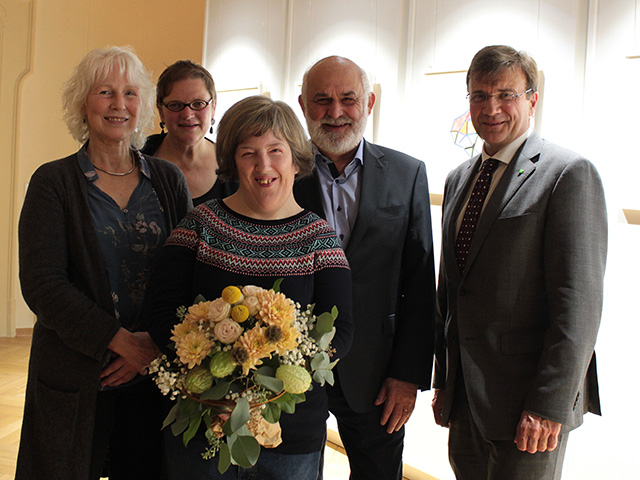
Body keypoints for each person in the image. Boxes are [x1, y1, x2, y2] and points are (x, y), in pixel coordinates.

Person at [145, 95, 354, 479]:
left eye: (276, 150)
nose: (264, 166)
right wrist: (213, 373)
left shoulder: (319, 238)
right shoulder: (199, 225)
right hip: (205, 424)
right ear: (232, 160)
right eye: (248, 153)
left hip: (291, 435)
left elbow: (339, 333)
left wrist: (263, 383)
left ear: (295, 158)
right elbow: (160, 310)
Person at [15, 46, 192, 480]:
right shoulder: (53, 182)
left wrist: (148, 344)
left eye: (130, 93)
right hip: (77, 376)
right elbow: (43, 285)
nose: (119, 104)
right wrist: (121, 342)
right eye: (105, 92)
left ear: (143, 106)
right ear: (82, 103)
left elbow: (189, 272)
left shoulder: (168, 181)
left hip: (155, 373)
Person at [432, 45, 607, 480]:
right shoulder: (459, 178)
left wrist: (548, 405)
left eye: (505, 94)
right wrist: (445, 382)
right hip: (467, 400)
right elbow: (451, 291)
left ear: (532, 99)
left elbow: (578, 306)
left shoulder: (568, 173)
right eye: (478, 95)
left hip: (528, 407)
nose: (491, 108)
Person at [294, 55, 437, 480]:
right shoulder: (279, 171)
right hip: (291, 370)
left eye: (348, 99)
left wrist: (407, 375)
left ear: (369, 103)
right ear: (303, 104)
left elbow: (419, 282)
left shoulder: (407, 174)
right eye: (322, 100)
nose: (335, 112)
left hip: (378, 376)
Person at [141, 59, 236, 205]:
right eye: (175, 105)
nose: (187, 115)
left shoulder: (233, 165)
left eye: (198, 104)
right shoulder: (137, 160)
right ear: (161, 111)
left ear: (213, 107)